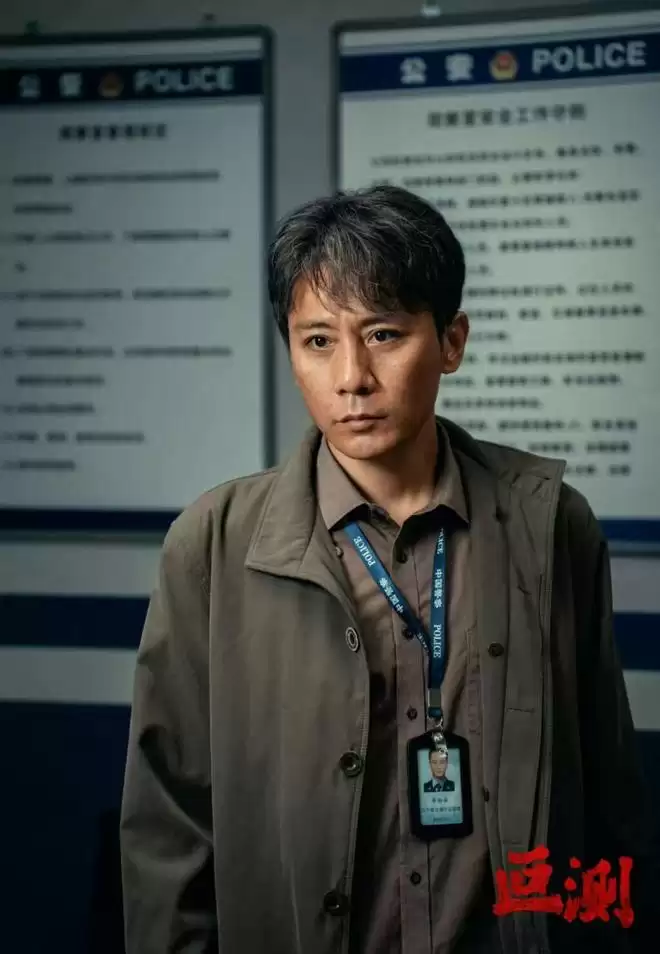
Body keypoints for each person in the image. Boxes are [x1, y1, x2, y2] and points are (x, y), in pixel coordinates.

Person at [120, 185, 657, 954]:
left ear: (451, 342)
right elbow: (169, 830)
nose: (351, 377)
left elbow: (610, 803)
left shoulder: (550, 526)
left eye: (383, 334)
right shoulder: (212, 545)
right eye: (317, 341)